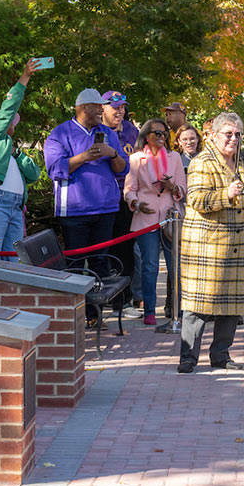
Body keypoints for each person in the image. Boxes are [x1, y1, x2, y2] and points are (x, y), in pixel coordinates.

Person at [43, 89, 130, 323]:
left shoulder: (107, 134)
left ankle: (95, 314)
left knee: (101, 261)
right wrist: (84, 157)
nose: (102, 110)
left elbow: (123, 168)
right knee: (76, 265)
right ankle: (73, 316)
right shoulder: (60, 134)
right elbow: (54, 169)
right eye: (97, 107)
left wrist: (111, 154)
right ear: (82, 108)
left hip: (106, 208)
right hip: (74, 210)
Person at [177, 112, 244, 373]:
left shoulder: (241, 163)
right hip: (207, 248)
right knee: (197, 306)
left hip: (237, 247)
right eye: (228, 134)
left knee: (231, 308)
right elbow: (197, 199)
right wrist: (226, 194)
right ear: (214, 135)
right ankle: (188, 358)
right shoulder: (202, 162)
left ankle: (221, 356)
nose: (233, 139)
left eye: (237, 134)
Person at [0, 59, 45, 261]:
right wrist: (24, 78)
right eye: (12, 120)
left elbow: (34, 174)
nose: (13, 124)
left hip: (15, 206)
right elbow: (7, 109)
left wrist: (17, 153)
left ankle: (7, 294)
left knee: (13, 258)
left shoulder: (12, 149)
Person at [125, 118, 186, 325]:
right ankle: (150, 310)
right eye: (157, 133)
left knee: (175, 266)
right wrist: (136, 203)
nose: (161, 137)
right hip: (146, 216)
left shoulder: (174, 157)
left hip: (170, 216)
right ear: (147, 136)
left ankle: (178, 310)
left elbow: (182, 189)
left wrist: (172, 187)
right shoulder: (136, 159)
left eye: (164, 133)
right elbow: (129, 189)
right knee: (149, 265)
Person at [102, 91, 140, 319]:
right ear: (103, 108)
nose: (120, 111)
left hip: (125, 198)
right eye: (115, 107)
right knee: (101, 251)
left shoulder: (131, 130)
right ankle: (97, 301)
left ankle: (124, 302)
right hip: (101, 198)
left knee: (125, 251)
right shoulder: (96, 131)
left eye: (122, 107)